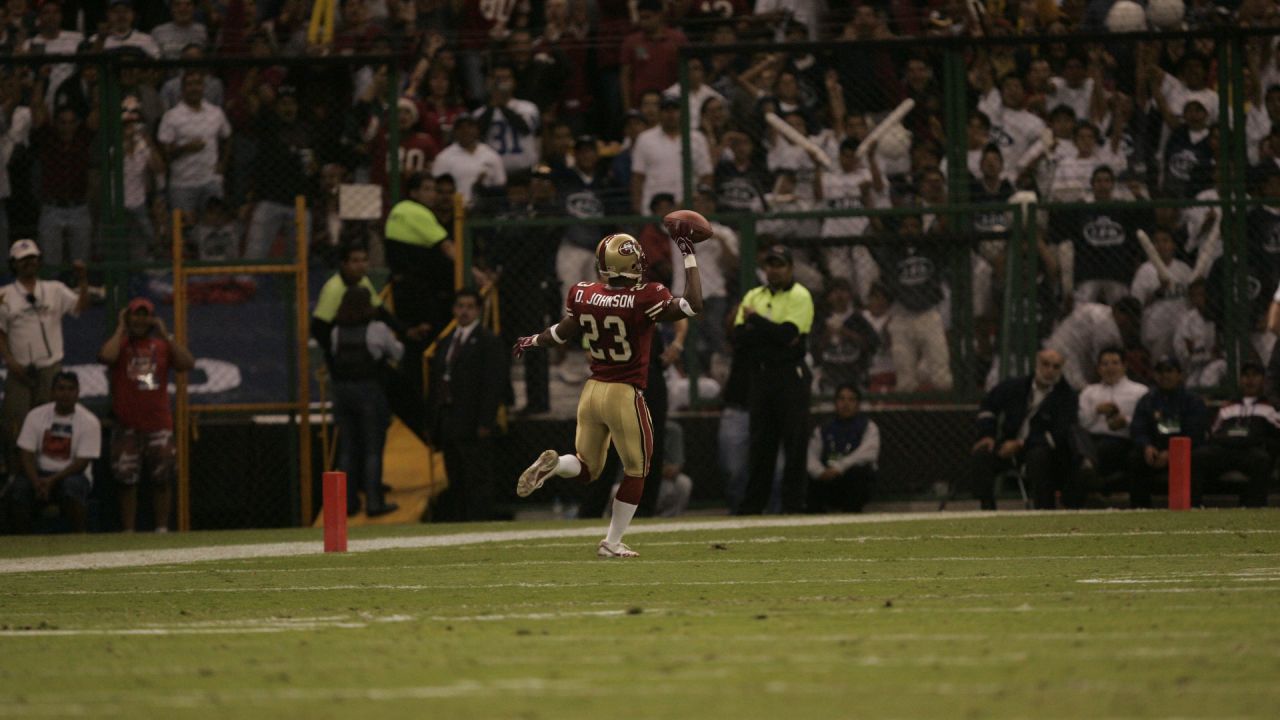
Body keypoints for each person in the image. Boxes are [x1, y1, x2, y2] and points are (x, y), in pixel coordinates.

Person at [512, 228, 704, 558]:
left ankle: (556, 464)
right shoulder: (647, 296)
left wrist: (531, 340)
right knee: (637, 470)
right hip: (624, 393)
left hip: (592, 391)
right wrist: (688, 253)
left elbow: (560, 333)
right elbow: (693, 305)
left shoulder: (583, 293)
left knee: (587, 468)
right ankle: (612, 542)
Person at [98, 297, 195, 532]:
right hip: (126, 423)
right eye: (135, 314)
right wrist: (121, 328)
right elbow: (106, 357)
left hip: (158, 422)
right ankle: (129, 531)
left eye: (145, 314)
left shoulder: (161, 346)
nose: (140, 319)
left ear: (151, 318)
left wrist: (166, 334)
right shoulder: (120, 346)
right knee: (126, 480)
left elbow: (187, 363)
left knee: (162, 478)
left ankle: (161, 529)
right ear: (128, 317)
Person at [733, 245, 815, 515]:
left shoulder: (800, 295)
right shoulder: (753, 294)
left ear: (790, 267)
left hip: (790, 375)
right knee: (761, 444)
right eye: (769, 264)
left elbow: (791, 334)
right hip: (761, 375)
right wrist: (775, 336)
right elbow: (739, 338)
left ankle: (793, 505)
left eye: (779, 264)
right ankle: (754, 506)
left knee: (794, 442)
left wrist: (756, 323)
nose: (773, 270)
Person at [0, 239, 88, 474]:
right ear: (14, 264)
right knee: (15, 426)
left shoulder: (55, 289)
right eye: (23, 260)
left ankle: (49, 474)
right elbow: (0, 333)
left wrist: (82, 280)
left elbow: (79, 307)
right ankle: (15, 476)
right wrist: (10, 362)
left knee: (52, 425)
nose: (29, 263)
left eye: (32, 258)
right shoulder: (4, 295)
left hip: (50, 368)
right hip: (19, 370)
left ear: (39, 261)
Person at [427, 290, 506, 522]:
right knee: (455, 474)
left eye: (470, 307)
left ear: (479, 311)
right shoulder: (446, 341)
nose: (464, 311)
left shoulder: (488, 341)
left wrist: (485, 421)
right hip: (450, 419)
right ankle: (460, 519)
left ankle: (478, 520)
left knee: (476, 476)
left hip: (472, 420)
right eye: (460, 306)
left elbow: (493, 384)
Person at [969, 349, 1078, 510]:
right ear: (1036, 363)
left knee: (1039, 457)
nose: (1050, 371)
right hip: (1008, 444)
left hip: (1042, 450)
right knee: (982, 454)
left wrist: (1021, 444)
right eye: (1045, 364)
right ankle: (987, 510)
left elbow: (1059, 434)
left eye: (1056, 367)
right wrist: (987, 435)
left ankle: (1044, 511)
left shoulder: (1066, 396)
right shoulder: (1016, 386)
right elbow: (988, 406)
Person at [329, 286, 402, 518]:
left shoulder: (336, 331)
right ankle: (373, 501)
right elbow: (398, 353)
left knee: (347, 449)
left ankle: (348, 503)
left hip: (341, 392)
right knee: (373, 448)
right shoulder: (377, 329)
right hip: (369, 390)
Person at [2, 371, 100, 534]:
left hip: (73, 474)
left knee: (72, 487)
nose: (65, 394)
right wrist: (36, 481)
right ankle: (23, 540)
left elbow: (82, 463)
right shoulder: (35, 416)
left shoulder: (90, 421)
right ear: (52, 392)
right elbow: (26, 454)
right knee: (19, 488)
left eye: (70, 389)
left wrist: (52, 481)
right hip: (39, 473)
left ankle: (80, 536)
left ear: (78, 393)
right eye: (61, 389)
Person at [1191, 362, 1279, 508]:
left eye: (1255, 375)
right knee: (1198, 456)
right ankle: (1192, 505)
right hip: (1224, 449)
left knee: (1262, 459)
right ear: (1240, 380)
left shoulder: (1269, 407)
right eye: (1246, 376)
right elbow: (1214, 431)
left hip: (1250, 451)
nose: (1250, 380)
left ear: (1263, 380)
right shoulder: (1228, 407)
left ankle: (1254, 507)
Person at [1129, 356, 1209, 509]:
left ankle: (1192, 506)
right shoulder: (1147, 400)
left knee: (1198, 457)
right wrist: (1146, 446)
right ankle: (1140, 509)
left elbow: (1196, 432)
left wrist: (1172, 452)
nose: (1164, 376)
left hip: (1184, 451)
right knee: (1134, 457)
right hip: (1155, 452)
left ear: (1180, 375)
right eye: (1160, 371)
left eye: (1169, 371)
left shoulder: (1192, 401)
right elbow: (1138, 428)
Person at [1074, 347, 1149, 504]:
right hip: (1090, 440)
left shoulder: (1140, 392)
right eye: (1105, 364)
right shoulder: (1089, 392)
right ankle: (1088, 466)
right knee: (1073, 432)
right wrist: (1096, 410)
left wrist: (1125, 421)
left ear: (1124, 366)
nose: (1110, 368)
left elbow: (1146, 423)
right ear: (1099, 368)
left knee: (1097, 451)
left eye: (1115, 363)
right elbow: (1081, 423)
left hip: (1121, 440)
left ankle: (1089, 468)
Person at [157, 72, 230, 220]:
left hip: (211, 180)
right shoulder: (171, 116)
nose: (194, 88)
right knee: (183, 232)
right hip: (182, 184)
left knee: (213, 226)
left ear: (203, 87)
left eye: (197, 84)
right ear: (182, 89)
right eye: (190, 84)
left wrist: (222, 164)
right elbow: (164, 152)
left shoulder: (216, 113)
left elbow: (227, 137)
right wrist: (185, 148)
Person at [806, 383, 879, 513]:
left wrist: (839, 468)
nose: (846, 404)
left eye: (851, 400)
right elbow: (811, 456)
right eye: (841, 399)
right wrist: (820, 472)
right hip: (827, 479)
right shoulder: (823, 429)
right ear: (835, 402)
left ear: (858, 404)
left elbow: (867, 454)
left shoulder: (868, 427)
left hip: (851, 479)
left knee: (859, 473)